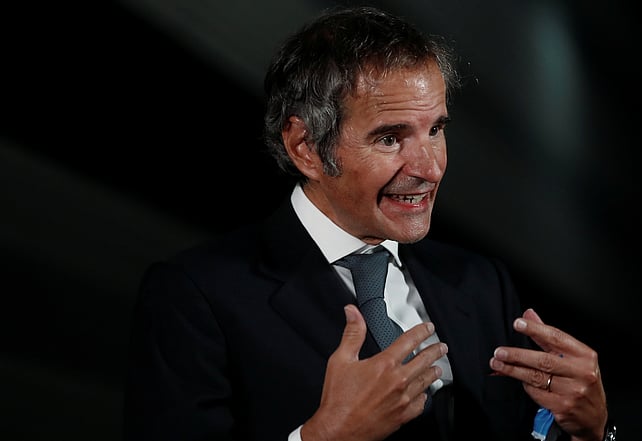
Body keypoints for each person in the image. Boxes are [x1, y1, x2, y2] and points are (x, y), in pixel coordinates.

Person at [123, 5, 613, 441]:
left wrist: (589, 434)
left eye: (436, 130)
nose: (430, 167)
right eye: (389, 138)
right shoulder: (194, 296)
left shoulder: (481, 282)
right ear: (306, 147)